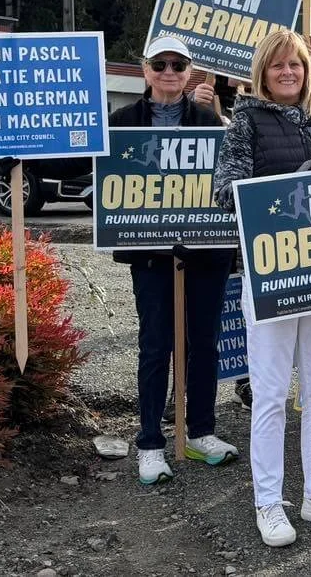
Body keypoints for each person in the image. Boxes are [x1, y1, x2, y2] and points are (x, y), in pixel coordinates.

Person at [213, 28, 311, 547]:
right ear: (262, 71)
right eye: (277, 65)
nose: (287, 73)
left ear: (307, 70)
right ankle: (269, 502)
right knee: (272, 394)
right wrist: (295, 182)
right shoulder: (245, 122)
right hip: (270, 276)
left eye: (295, 65)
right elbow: (225, 192)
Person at [101, 37, 236, 484]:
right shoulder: (122, 122)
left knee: (203, 343)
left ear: (189, 71)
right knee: (156, 345)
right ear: (145, 70)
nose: (169, 71)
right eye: (160, 64)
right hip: (152, 254)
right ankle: (151, 441)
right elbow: (100, 178)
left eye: (178, 64)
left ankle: (200, 432)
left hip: (206, 250)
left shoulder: (212, 123)